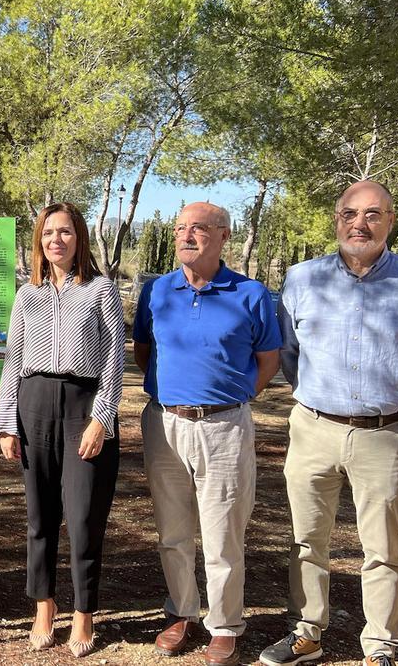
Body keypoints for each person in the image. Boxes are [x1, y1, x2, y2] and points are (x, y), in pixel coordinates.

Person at [260, 181, 398, 666]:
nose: (359, 223)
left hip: (385, 435)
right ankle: (307, 633)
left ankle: (380, 647)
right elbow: (289, 353)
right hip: (312, 429)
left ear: (391, 222)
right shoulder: (302, 278)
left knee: (383, 548)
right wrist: (316, 400)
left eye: (373, 214)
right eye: (350, 213)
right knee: (307, 540)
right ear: (336, 220)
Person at [133, 202, 281, 666]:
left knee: (222, 535)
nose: (186, 235)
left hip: (224, 428)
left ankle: (224, 625)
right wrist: (176, 395)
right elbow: (143, 353)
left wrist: (230, 399)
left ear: (223, 236)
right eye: (180, 228)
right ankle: (181, 612)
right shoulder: (156, 291)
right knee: (172, 531)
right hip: (164, 423)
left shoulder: (251, 294)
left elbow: (268, 361)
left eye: (198, 228)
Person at [0, 202, 126, 658]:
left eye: (65, 232)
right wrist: (7, 422)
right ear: (39, 241)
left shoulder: (101, 290)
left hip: (82, 407)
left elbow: (114, 358)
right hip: (34, 407)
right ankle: (44, 606)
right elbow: (13, 359)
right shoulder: (25, 294)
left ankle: (85, 613)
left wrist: (101, 418)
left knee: (85, 518)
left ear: (79, 238)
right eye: (49, 232)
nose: (57, 240)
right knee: (39, 518)